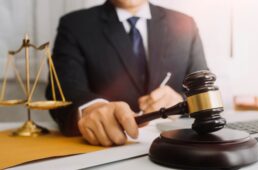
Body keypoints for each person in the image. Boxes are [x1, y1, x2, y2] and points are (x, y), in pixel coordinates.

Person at [46, 0, 208, 146]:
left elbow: (206, 91)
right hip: (106, 150)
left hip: (177, 145)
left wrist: (181, 101)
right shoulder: (75, 25)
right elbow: (62, 90)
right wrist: (91, 109)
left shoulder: (185, 23)